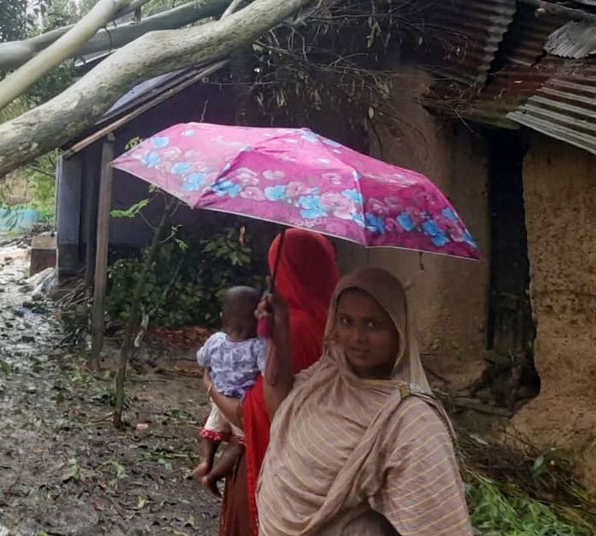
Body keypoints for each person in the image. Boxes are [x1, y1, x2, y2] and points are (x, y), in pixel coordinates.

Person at [253, 267, 472, 535]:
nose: (357, 337)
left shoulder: (410, 420)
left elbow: (439, 526)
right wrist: (279, 334)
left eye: (372, 324)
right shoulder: (327, 375)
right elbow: (281, 413)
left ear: (397, 329)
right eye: (346, 321)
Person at [209, 228, 340, 536]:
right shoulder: (339, 326)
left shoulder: (289, 331)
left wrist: (211, 387)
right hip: (321, 469)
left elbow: (251, 412)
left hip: (275, 469)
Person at [194, 286, 266, 496]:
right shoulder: (258, 346)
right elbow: (268, 372)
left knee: (210, 432)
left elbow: (201, 359)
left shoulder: (216, 340)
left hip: (217, 399)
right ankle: (213, 476)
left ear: (223, 317)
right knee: (238, 445)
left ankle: (206, 461)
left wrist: (211, 369)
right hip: (240, 404)